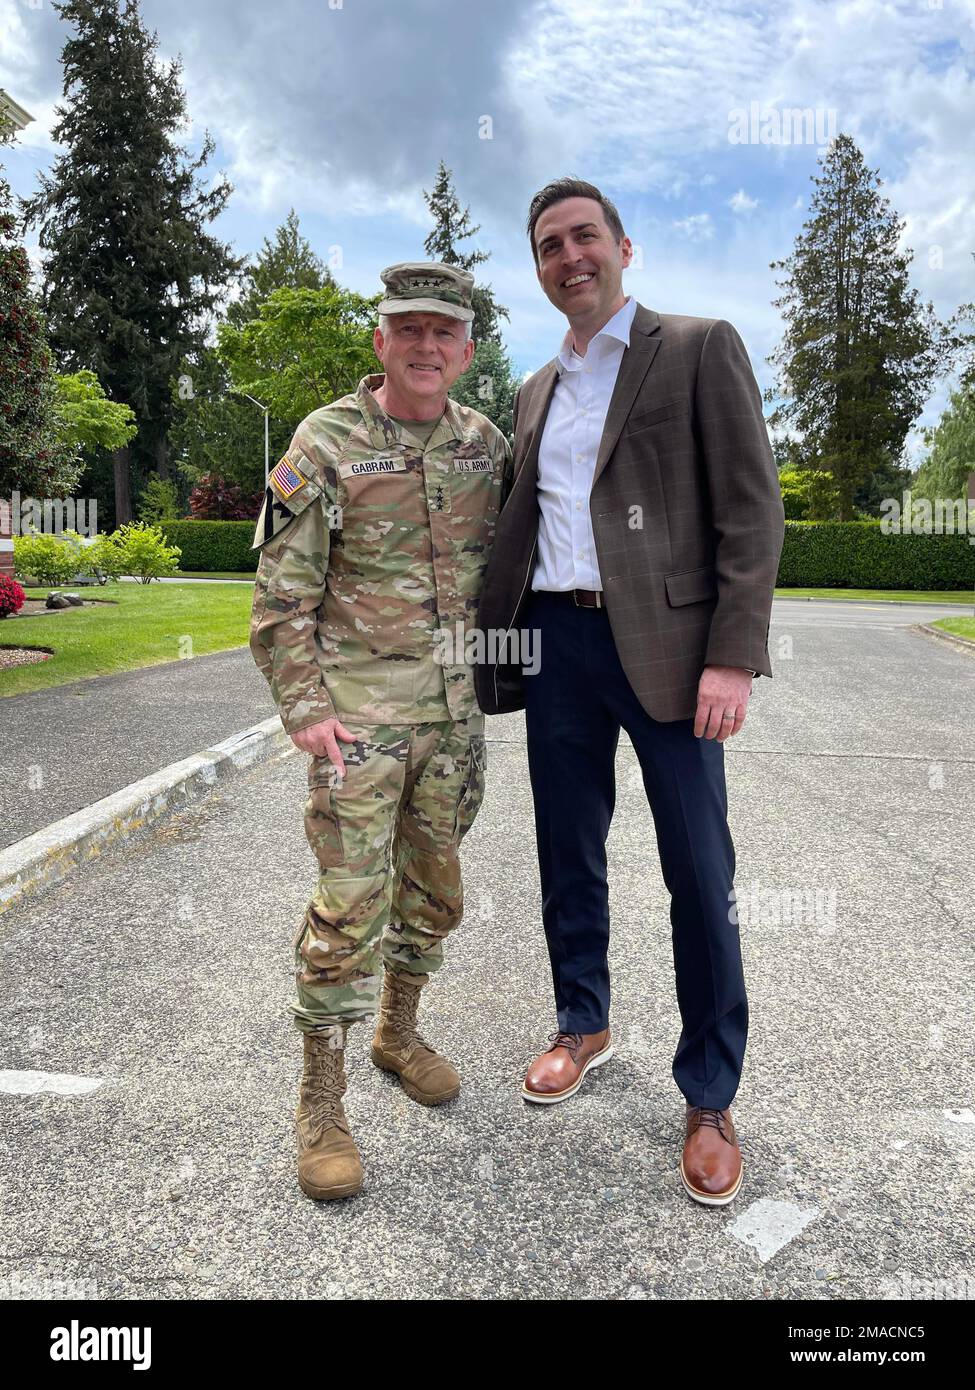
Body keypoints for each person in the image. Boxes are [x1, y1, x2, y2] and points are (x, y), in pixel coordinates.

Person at [474, 179, 785, 1206]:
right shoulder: (536, 390)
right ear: (538, 268)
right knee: (567, 850)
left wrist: (733, 655)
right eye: (550, 245)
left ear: (623, 246)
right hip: (559, 643)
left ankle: (708, 1093)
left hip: (670, 651)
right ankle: (584, 1021)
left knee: (700, 869)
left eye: (585, 236)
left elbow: (751, 508)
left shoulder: (697, 347)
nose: (570, 256)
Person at [250, 261, 512, 1200]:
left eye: (444, 333)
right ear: (381, 341)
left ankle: (398, 1035)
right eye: (409, 330)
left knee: (436, 894)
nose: (426, 347)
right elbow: (281, 599)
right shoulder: (324, 443)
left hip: (452, 723)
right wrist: (307, 710)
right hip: (357, 725)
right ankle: (320, 1101)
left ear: (467, 350)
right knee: (347, 908)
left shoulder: (486, 444)